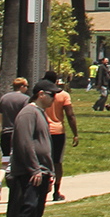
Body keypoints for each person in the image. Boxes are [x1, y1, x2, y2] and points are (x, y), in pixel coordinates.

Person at [1, 83, 56, 217]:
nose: (54, 99)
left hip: (43, 171)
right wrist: (34, 169)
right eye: (51, 95)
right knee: (28, 207)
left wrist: (50, 172)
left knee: (36, 210)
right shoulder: (28, 113)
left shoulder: (40, 113)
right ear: (40, 94)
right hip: (30, 172)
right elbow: (24, 143)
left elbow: (44, 145)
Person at [41, 69, 79, 201]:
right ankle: (56, 191)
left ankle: (43, 188)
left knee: (43, 161)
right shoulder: (63, 95)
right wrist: (75, 133)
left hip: (43, 130)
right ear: (56, 81)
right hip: (58, 131)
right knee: (57, 162)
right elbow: (70, 115)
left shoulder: (41, 95)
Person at [0, 77, 30, 204]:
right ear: (22, 86)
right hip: (18, 134)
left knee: (5, 162)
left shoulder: (4, 98)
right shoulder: (25, 99)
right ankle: (15, 188)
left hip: (5, 134)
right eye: (27, 86)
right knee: (19, 163)